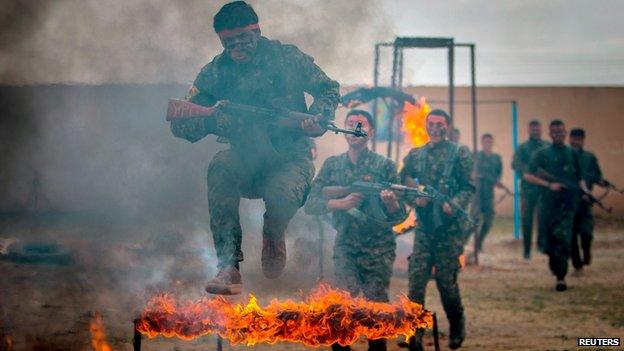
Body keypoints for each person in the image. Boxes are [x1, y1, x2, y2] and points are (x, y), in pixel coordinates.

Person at [170, 1, 340, 295]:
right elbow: (180, 124)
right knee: (220, 167)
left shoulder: (287, 58)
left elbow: (328, 88)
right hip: (244, 159)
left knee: (282, 195)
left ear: (257, 31)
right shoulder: (214, 72)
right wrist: (214, 120)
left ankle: (273, 235)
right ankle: (228, 266)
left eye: (243, 38)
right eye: (229, 41)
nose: (237, 46)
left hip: (290, 159)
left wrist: (320, 117)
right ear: (222, 40)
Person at [305, 110, 407, 351]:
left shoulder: (385, 166)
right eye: (350, 124)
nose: (356, 128)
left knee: (375, 313)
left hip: (378, 249)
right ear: (344, 131)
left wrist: (391, 203)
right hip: (346, 247)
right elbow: (310, 203)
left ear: (371, 132)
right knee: (340, 310)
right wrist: (339, 203)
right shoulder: (332, 166)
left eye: (361, 124)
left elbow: (401, 214)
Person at [400, 109, 474, 350]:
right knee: (416, 282)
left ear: (448, 127)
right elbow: (404, 182)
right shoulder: (416, 155)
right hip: (425, 228)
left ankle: (456, 325)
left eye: (440, 124)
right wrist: (415, 198)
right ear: (426, 126)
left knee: (446, 282)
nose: (434, 128)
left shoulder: (460, 153)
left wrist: (454, 204)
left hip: (450, 230)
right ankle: (414, 335)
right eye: (430, 123)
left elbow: (468, 187)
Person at [524, 120, 588, 291]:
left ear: (565, 133)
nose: (558, 134)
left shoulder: (572, 154)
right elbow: (528, 176)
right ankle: (555, 265)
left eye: (561, 132)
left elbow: (580, 178)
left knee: (563, 238)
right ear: (550, 134)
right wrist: (548, 185)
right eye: (555, 132)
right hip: (547, 204)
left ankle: (561, 277)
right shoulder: (542, 153)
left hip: (567, 204)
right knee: (548, 241)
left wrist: (585, 191)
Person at [511, 120, 549, 259]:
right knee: (527, 220)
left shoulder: (547, 146)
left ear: (541, 130)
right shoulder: (523, 148)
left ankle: (541, 245)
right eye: (533, 130)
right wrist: (530, 172)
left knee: (543, 218)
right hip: (528, 189)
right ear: (529, 131)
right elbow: (515, 164)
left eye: (537, 129)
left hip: (544, 189)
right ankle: (527, 250)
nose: (535, 132)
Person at [569, 128, 605, 271]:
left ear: (583, 139)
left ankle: (587, 252)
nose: (576, 141)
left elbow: (597, 176)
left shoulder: (590, 157)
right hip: (569, 202)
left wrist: (603, 182)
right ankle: (577, 264)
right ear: (570, 139)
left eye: (579, 138)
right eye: (574, 138)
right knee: (571, 236)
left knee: (586, 232)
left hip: (585, 202)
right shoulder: (564, 157)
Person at [472, 133, 507, 252]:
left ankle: (479, 242)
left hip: (488, 193)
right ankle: (464, 243)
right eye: (486, 142)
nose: (488, 144)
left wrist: (498, 182)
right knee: (473, 220)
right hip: (477, 193)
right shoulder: (476, 156)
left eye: (490, 142)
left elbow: (498, 174)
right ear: (482, 143)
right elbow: (470, 172)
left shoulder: (496, 158)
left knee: (488, 220)